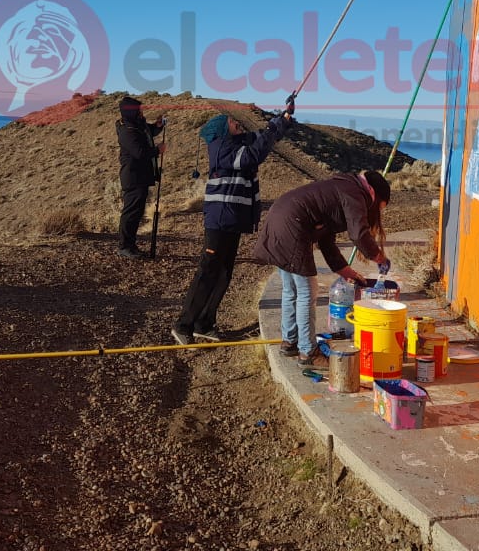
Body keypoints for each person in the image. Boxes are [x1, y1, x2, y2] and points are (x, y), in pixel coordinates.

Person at [172, 98, 295, 344]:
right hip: (220, 220)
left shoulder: (234, 143)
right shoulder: (222, 149)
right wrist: (272, 130)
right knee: (208, 270)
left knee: (224, 273)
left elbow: (260, 138)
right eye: (231, 121)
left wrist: (283, 119)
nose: (236, 123)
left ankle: (204, 323)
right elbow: (253, 155)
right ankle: (183, 325)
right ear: (221, 129)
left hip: (232, 220)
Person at [251, 169, 391, 366]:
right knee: (307, 291)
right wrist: (379, 257)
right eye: (380, 208)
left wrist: (344, 270)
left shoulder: (342, 188)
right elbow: (359, 234)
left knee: (290, 289)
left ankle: (290, 341)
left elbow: (326, 239)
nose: (377, 213)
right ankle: (308, 352)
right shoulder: (354, 193)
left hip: (280, 220)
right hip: (292, 226)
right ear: (374, 196)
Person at [115, 96, 165, 259]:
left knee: (136, 213)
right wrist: (158, 150)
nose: (142, 112)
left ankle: (130, 245)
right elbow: (140, 152)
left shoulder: (136, 126)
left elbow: (148, 132)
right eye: (139, 110)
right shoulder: (127, 131)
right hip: (133, 178)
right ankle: (124, 246)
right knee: (131, 213)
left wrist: (158, 126)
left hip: (141, 177)